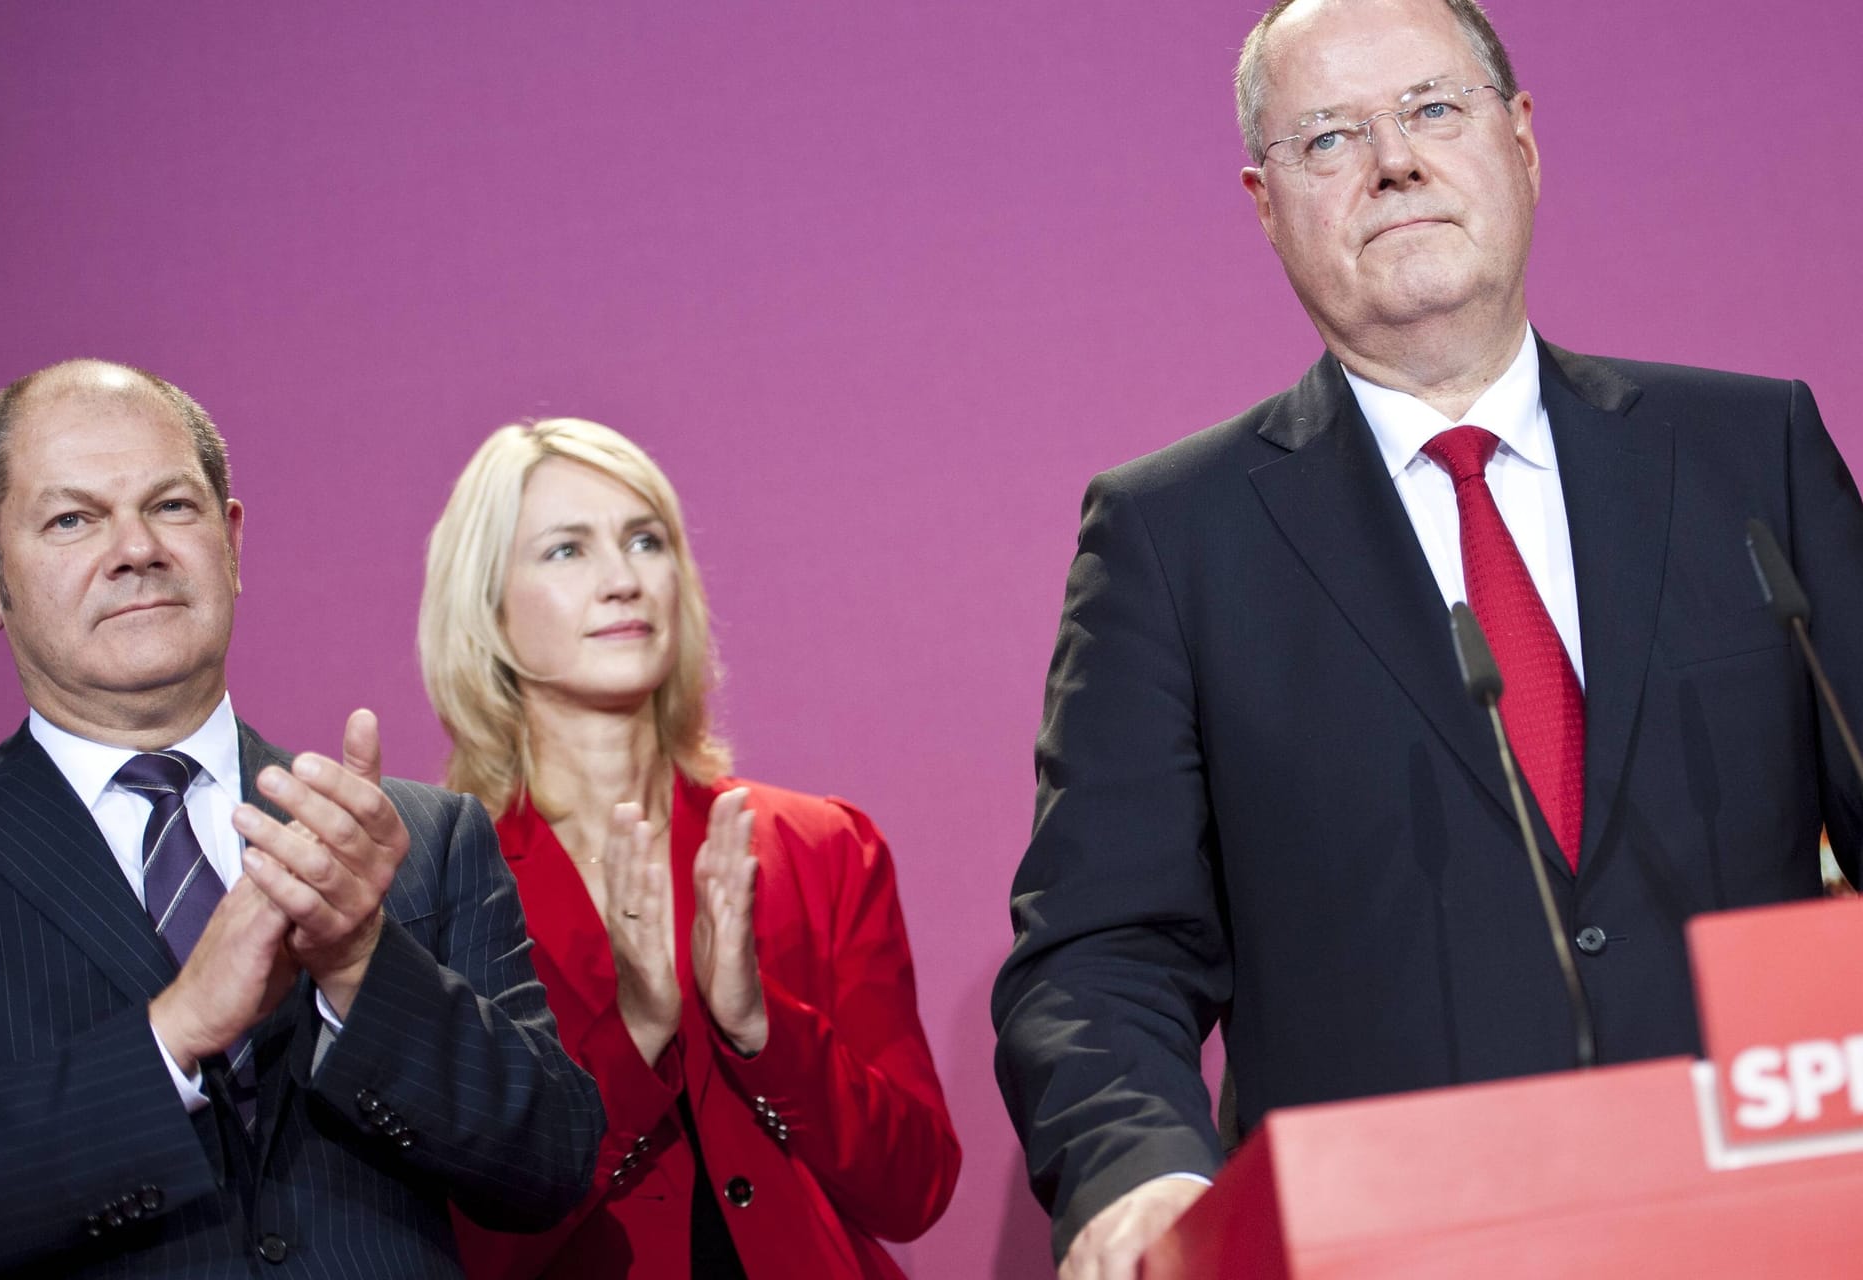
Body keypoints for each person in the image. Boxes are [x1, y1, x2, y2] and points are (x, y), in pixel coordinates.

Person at [990, 0, 1863, 1274]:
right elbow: (1100, 944)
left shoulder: (1750, 455)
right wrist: (1144, 1174)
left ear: (1522, 142)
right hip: (1396, 1240)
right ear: (1264, 203)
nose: (1395, 160)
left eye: (1434, 110)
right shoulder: (1173, 536)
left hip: (1768, 1219)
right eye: (1330, 138)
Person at [0, 359, 603, 1278]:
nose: (136, 548)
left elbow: (552, 1165)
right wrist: (170, 1035)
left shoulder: (414, 840)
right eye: (72, 520)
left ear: (233, 542)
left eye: (172, 506)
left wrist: (361, 966)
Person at [420, 417, 960, 1279]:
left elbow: (916, 1188)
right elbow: (465, 1246)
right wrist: (635, 1035)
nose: (623, 580)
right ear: (487, 610)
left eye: (646, 541)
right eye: (567, 551)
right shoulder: (434, 887)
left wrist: (759, 1029)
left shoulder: (819, 847)